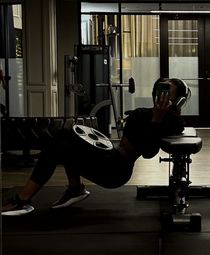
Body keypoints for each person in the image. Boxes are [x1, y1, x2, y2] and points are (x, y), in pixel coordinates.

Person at [1, 78, 190, 216]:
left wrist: (158, 118)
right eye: (160, 87)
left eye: (168, 90)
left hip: (116, 169)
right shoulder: (142, 113)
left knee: (58, 146)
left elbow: (149, 153)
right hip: (110, 156)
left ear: (177, 101)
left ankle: (24, 200)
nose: (161, 91)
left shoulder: (171, 122)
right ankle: (74, 189)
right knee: (62, 138)